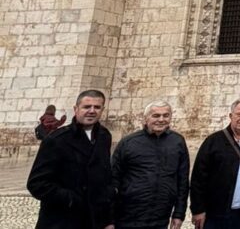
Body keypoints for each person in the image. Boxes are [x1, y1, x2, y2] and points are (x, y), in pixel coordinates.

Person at [27, 89, 114, 229]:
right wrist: (72, 199)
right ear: (76, 109)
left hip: (93, 220)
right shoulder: (56, 140)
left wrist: (108, 219)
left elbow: (105, 178)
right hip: (61, 220)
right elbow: (36, 184)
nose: (92, 111)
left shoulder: (105, 136)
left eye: (97, 107)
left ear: (103, 109)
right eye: (87, 107)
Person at [190, 99, 240, 229]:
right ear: (231, 116)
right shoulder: (213, 141)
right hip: (215, 212)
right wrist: (198, 210)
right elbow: (198, 178)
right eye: (239, 114)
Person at [111, 101, 190, 229]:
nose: (161, 119)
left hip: (160, 216)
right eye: (156, 116)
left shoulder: (178, 142)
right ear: (145, 118)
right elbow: (113, 180)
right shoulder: (128, 143)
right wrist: (109, 220)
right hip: (128, 216)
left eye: (166, 115)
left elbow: (183, 181)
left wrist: (179, 214)